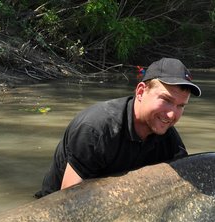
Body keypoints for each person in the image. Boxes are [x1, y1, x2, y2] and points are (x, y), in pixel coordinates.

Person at [34, 57, 201, 198]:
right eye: (166, 100)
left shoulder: (168, 138)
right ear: (141, 91)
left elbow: (182, 189)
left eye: (181, 106)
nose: (172, 115)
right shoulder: (95, 129)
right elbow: (66, 201)